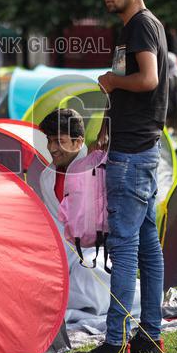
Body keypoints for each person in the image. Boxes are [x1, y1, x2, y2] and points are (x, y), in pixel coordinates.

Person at [91, 0, 168, 353]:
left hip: (133, 154)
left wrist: (110, 80)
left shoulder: (139, 25)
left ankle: (115, 341)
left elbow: (148, 79)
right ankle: (150, 334)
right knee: (147, 246)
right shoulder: (135, 28)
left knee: (123, 248)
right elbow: (127, 88)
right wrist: (106, 124)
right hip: (139, 147)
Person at [38, 108, 139, 334]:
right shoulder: (46, 176)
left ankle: (134, 296)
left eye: (59, 141)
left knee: (89, 273)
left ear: (78, 142)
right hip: (63, 251)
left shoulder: (100, 167)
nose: (52, 148)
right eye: (49, 140)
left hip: (99, 250)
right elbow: (54, 226)